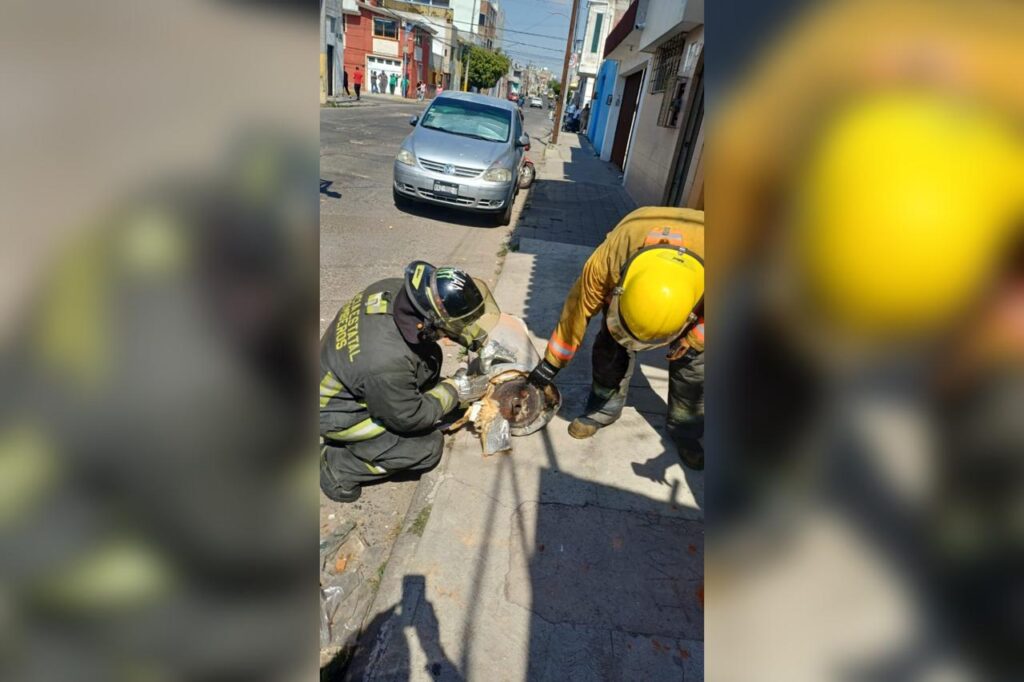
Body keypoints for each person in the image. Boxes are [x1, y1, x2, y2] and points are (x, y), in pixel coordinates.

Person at [528, 207, 706, 469]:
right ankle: (603, 410)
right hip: (632, 245)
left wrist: (695, 341)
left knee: (694, 367)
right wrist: (551, 364)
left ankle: (685, 430)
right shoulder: (608, 261)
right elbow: (576, 313)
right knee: (609, 351)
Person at [320, 262, 502, 502]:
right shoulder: (386, 363)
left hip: (346, 374)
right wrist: (455, 390)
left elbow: (439, 320)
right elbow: (409, 417)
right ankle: (338, 466)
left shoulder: (395, 290)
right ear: (427, 322)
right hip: (335, 413)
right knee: (426, 448)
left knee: (426, 358)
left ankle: (372, 433)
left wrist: (481, 342)